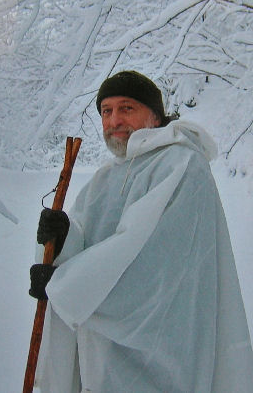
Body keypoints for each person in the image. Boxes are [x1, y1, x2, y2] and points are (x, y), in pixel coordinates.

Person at [29, 71, 253, 393]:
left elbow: (150, 265)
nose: (114, 120)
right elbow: (91, 245)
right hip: (103, 357)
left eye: (126, 108)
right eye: (106, 111)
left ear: (155, 115)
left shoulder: (181, 165)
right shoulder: (104, 180)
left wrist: (64, 285)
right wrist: (63, 241)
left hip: (161, 357)